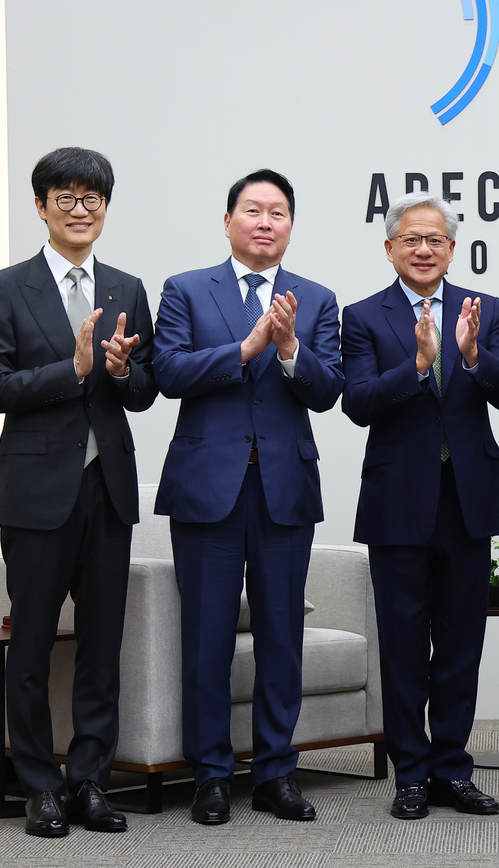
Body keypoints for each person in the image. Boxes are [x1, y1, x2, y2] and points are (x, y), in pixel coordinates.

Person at [0, 147, 157, 837]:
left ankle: (89, 782)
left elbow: (145, 388)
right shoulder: (3, 287)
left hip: (106, 489)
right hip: (37, 490)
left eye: (93, 198)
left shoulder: (127, 286)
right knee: (32, 647)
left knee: (102, 646)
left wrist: (119, 368)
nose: (81, 209)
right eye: (67, 197)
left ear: (106, 209)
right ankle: (39, 787)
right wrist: (72, 368)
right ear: (42, 205)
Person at [152, 169, 344, 826]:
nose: (266, 221)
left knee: (281, 638)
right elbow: (168, 371)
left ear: (291, 226)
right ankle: (209, 773)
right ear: (228, 220)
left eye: (279, 212)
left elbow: (328, 390)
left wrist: (289, 348)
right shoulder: (185, 290)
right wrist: (245, 347)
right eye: (254, 210)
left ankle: (275, 772)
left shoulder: (315, 299)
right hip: (208, 491)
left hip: (283, 489)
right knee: (205, 638)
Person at [341, 192, 499, 819]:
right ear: (390, 248)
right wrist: (418, 364)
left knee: (459, 644)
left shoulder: (485, 308)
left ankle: (452, 768)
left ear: (452, 248)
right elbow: (358, 402)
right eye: (411, 240)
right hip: (398, 502)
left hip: (467, 500)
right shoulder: (364, 315)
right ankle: (410, 775)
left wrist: (471, 355)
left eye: (435, 240)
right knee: (402, 645)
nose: (424, 250)